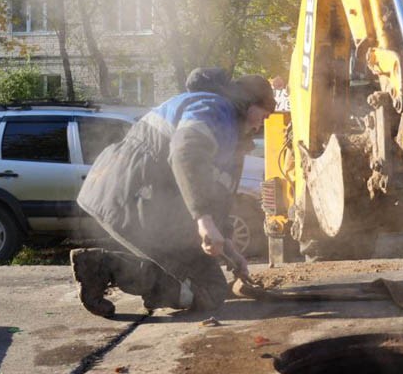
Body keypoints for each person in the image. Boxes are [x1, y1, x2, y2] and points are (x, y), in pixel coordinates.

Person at [70, 68, 275, 318]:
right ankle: (104, 268)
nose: (261, 124)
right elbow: (186, 153)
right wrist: (203, 220)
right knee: (210, 291)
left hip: (125, 194)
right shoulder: (218, 111)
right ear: (250, 103)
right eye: (264, 114)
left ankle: (126, 275)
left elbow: (217, 192)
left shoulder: (218, 116)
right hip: (135, 197)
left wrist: (230, 249)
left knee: (207, 280)